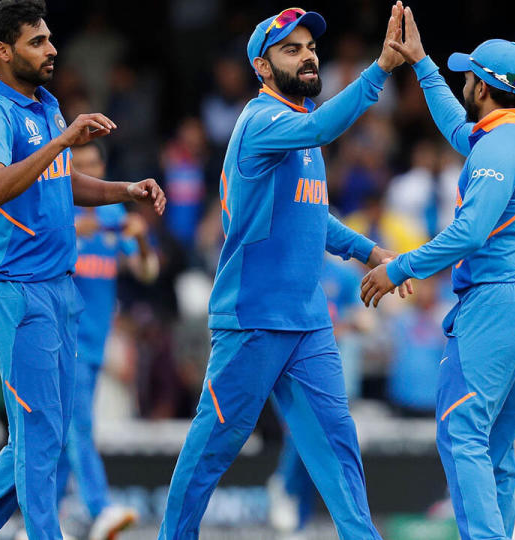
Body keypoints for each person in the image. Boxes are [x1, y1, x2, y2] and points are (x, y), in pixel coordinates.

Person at [157, 5, 410, 540]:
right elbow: (323, 125)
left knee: (338, 450)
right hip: (253, 319)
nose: (309, 55)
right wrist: (381, 67)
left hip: (306, 322)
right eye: (291, 49)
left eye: (310, 46)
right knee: (212, 451)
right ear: (263, 68)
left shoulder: (298, 128)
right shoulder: (264, 121)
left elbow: (313, 216)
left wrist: (371, 253)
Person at [0, 2, 165, 540]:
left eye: (49, 39)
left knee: (44, 434)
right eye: (37, 41)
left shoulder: (45, 106)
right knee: (40, 436)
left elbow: (59, 179)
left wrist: (122, 191)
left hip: (56, 286)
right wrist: (63, 141)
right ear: (2, 51)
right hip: (16, 288)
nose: (52, 49)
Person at [364, 8, 515, 539]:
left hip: (495, 304)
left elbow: (469, 235)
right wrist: (422, 63)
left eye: (469, 75)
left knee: (462, 435)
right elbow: (457, 127)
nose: (463, 81)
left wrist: (399, 265)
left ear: (485, 88)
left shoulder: (496, 148)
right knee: (493, 448)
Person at [49, 142, 160, 540]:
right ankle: (100, 509)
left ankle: (40, 522)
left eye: (95, 164)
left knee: (63, 435)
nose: (91, 173)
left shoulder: (113, 211)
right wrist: (69, 232)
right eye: (82, 167)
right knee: (78, 426)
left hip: (96, 341)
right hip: (63, 336)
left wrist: (142, 238)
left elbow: (147, 272)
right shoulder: (55, 210)